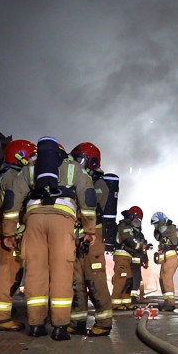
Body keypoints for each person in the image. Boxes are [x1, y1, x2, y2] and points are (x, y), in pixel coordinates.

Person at [2, 137, 97, 341]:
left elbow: (12, 199)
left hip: (34, 221)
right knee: (61, 273)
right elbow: (88, 198)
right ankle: (60, 327)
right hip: (62, 221)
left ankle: (36, 325)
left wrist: (9, 232)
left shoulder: (29, 168)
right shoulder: (73, 168)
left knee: (35, 272)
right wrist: (90, 229)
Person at [0, 139, 36, 332]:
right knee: (7, 273)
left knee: (11, 273)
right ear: (20, 157)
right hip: (10, 233)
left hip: (8, 231)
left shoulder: (7, 174)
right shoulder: (14, 177)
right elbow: (13, 206)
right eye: (31, 156)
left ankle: (1, 314)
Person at [68, 142, 113, 337]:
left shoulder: (99, 184)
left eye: (80, 159)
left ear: (90, 161)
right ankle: (77, 321)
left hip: (93, 238)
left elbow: (91, 208)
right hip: (76, 238)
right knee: (75, 281)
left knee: (95, 279)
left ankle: (103, 322)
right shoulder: (78, 181)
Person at [111, 206, 147, 311]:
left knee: (128, 280)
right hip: (121, 255)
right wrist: (141, 246)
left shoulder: (130, 227)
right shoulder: (124, 225)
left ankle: (126, 303)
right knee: (121, 279)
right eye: (137, 219)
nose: (138, 221)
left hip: (127, 256)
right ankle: (115, 303)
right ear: (132, 216)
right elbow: (128, 240)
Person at [151, 211, 178, 312]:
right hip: (166, 259)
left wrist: (161, 222)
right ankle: (166, 301)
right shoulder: (165, 229)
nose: (155, 226)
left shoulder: (170, 227)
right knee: (162, 279)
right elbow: (158, 235)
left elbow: (161, 230)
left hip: (170, 258)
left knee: (167, 279)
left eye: (156, 224)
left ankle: (170, 303)